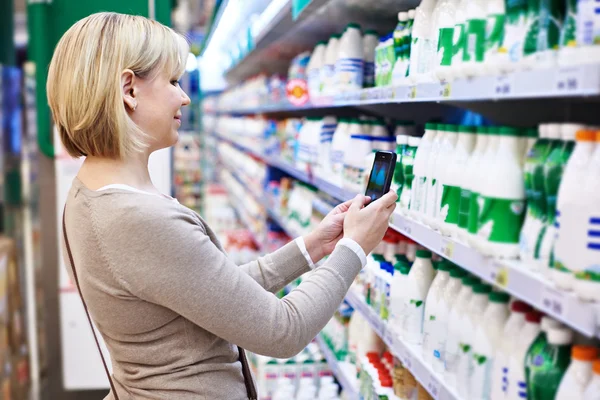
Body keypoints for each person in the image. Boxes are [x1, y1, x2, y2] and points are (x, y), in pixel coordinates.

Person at [47, 12, 397, 400]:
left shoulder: (88, 193)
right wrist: (354, 249)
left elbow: (212, 292)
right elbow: (283, 330)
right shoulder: (138, 219)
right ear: (129, 90)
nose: (184, 96)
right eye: (173, 81)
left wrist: (312, 247)